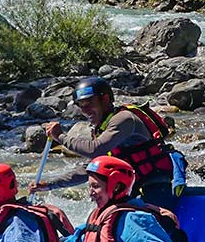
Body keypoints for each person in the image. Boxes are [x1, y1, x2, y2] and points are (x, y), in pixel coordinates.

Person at [33, 76, 186, 210]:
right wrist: (49, 185)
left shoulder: (124, 119)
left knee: (155, 224)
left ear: (105, 99)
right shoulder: (102, 129)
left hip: (157, 182)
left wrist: (60, 136)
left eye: (89, 103)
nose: (85, 110)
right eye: (81, 106)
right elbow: (90, 169)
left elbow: (95, 150)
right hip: (135, 186)